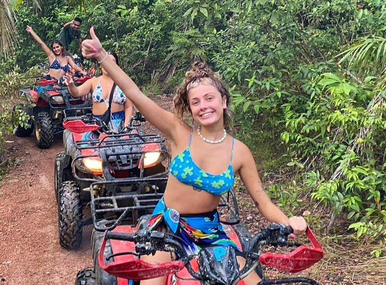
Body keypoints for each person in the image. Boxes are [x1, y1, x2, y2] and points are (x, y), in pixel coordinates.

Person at [80, 27, 308, 285]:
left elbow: (262, 202)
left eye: (209, 98)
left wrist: (288, 221)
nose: (203, 106)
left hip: (210, 232)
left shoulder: (240, 152)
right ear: (190, 108)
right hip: (167, 227)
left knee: (253, 281)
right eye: (196, 102)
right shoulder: (179, 133)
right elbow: (135, 94)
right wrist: (101, 56)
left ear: (223, 101)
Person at [64, 50, 134, 130]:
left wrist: (126, 126)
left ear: (116, 65)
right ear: (100, 64)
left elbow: (129, 107)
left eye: (112, 61)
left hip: (120, 123)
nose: (108, 64)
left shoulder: (124, 83)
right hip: (98, 124)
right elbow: (76, 92)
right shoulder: (93, 82)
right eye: (105, 61)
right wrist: (71, 84)